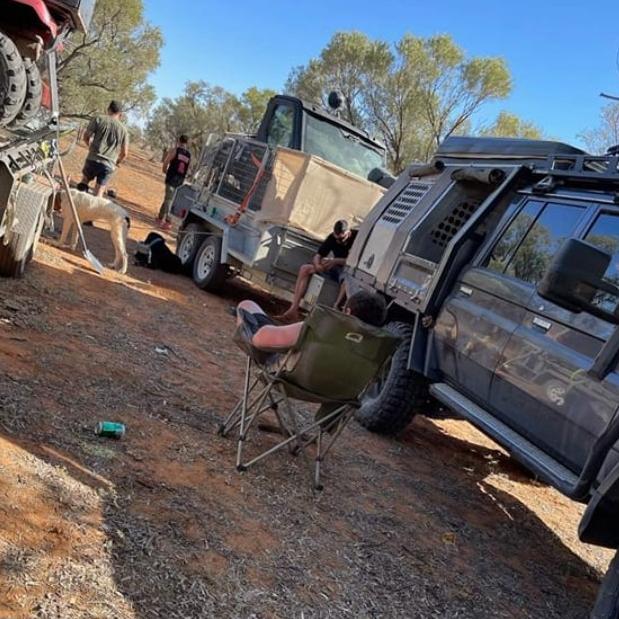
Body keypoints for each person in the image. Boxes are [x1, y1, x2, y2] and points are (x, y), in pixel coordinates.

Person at [236, 289, 387, 352]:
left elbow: (261, 339)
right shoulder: (375, 350)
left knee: (247, 305)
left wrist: (250, 329)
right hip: (339, 393)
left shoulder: (321, 328)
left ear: (348, 312)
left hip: (293, 378)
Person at [276, 220, 358, 322]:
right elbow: (318, 255)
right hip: (334, 266)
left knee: (348, 280)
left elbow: (356, 262)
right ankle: (293, 308)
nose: (338, 241)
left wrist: (336, 261)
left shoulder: (357, 238)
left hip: (347, 270)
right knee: (305, 268)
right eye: (336, 238)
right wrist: (318, 265)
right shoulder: (332, 237)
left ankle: (336, 307)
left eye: (341, 239)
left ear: (348, 233)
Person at [78, 100, 129, 198]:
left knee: (84, 182)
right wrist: (117, 161)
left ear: (108, 109)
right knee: (99, 192)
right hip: (108, 164)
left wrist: (90, 147)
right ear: (120, 114)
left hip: (93, 158)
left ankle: (77, 207)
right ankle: (94, 212)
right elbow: (124, 153)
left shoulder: (98, 119)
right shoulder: (124, 130)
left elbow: (86, 136)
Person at [158, 134, 192, 230]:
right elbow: (189, 168)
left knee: (169, 199)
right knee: (170, 198)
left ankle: (167, 220)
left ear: (179, 141)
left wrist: (164, 170)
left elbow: (166, 161)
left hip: (171, 177)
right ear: (187, 142)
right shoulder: (189, 155)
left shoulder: (175, 150)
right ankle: (161, 217)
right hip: (180, 180)